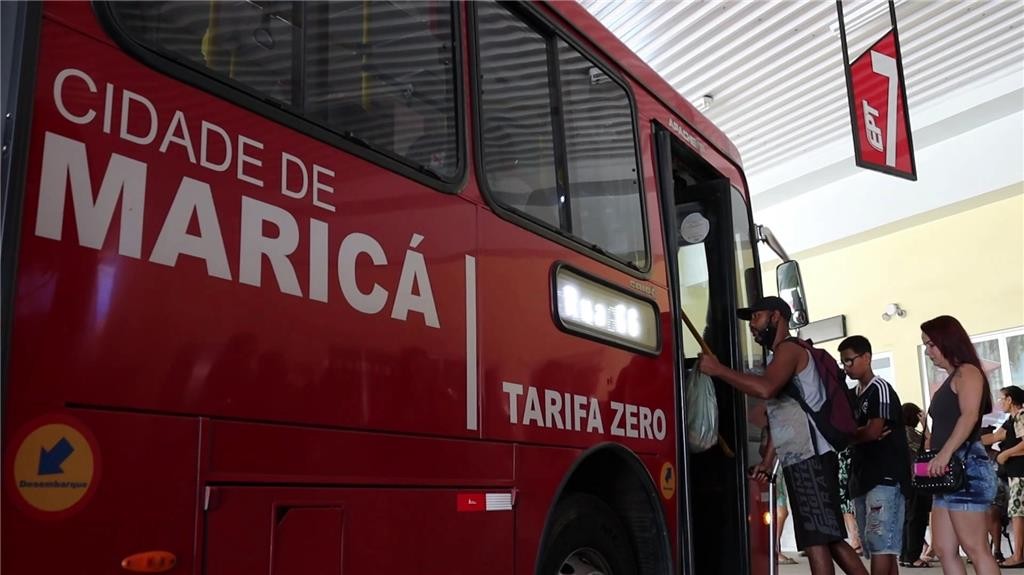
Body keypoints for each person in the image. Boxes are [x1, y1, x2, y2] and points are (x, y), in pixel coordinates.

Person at [699, 296, 867, 575]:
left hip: (809, 458)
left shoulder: (789, 350)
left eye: (756, 317)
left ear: (776, 317)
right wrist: (767, 461)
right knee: (828, 538)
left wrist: (718, 370)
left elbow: (765, 389)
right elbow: (782, 418)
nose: (752, 326)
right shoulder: (781, 356)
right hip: (805, 458)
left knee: (817, 541)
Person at [922, 315, 999, 574]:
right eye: (925, 345)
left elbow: (970, 415)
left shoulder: (968, 371)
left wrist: (943, 454)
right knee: (944, 548)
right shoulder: (952, 377)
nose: (928, 351)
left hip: (966, 465)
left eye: (931, 344)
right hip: (948, 470)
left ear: (948, 340)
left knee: (975, 548)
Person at [839, 335, 910, 575]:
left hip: (885, 477)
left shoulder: (879, 388)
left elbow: (873, 431)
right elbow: (846, 432)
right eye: (843, 363)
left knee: (881, 543)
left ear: (866, 357)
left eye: (850, 361)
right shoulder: (852, 395)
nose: (846, 367)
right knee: (876, 544)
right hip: (862, 476)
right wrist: (857, 434)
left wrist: (857, 434)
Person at [982, 385, 1024, 566]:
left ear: (1010, 400)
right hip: (1014, 474)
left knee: (1017, 513)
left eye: (1002, 399)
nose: (1000, 403)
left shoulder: (1021, 416)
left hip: (1020, 474)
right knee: (1017, 513)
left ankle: (1018, 556)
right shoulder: (1011, 420)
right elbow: (993, 438)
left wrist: (1005, 454)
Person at [900, 402, 934, 568]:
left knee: (907, 518)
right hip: (917, 480)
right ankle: (913, 556)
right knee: (917, 518)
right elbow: (931, 443)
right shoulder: (911, 433)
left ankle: (905, 555)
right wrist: (925, 425)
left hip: (904, 481)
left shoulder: (898, 432)